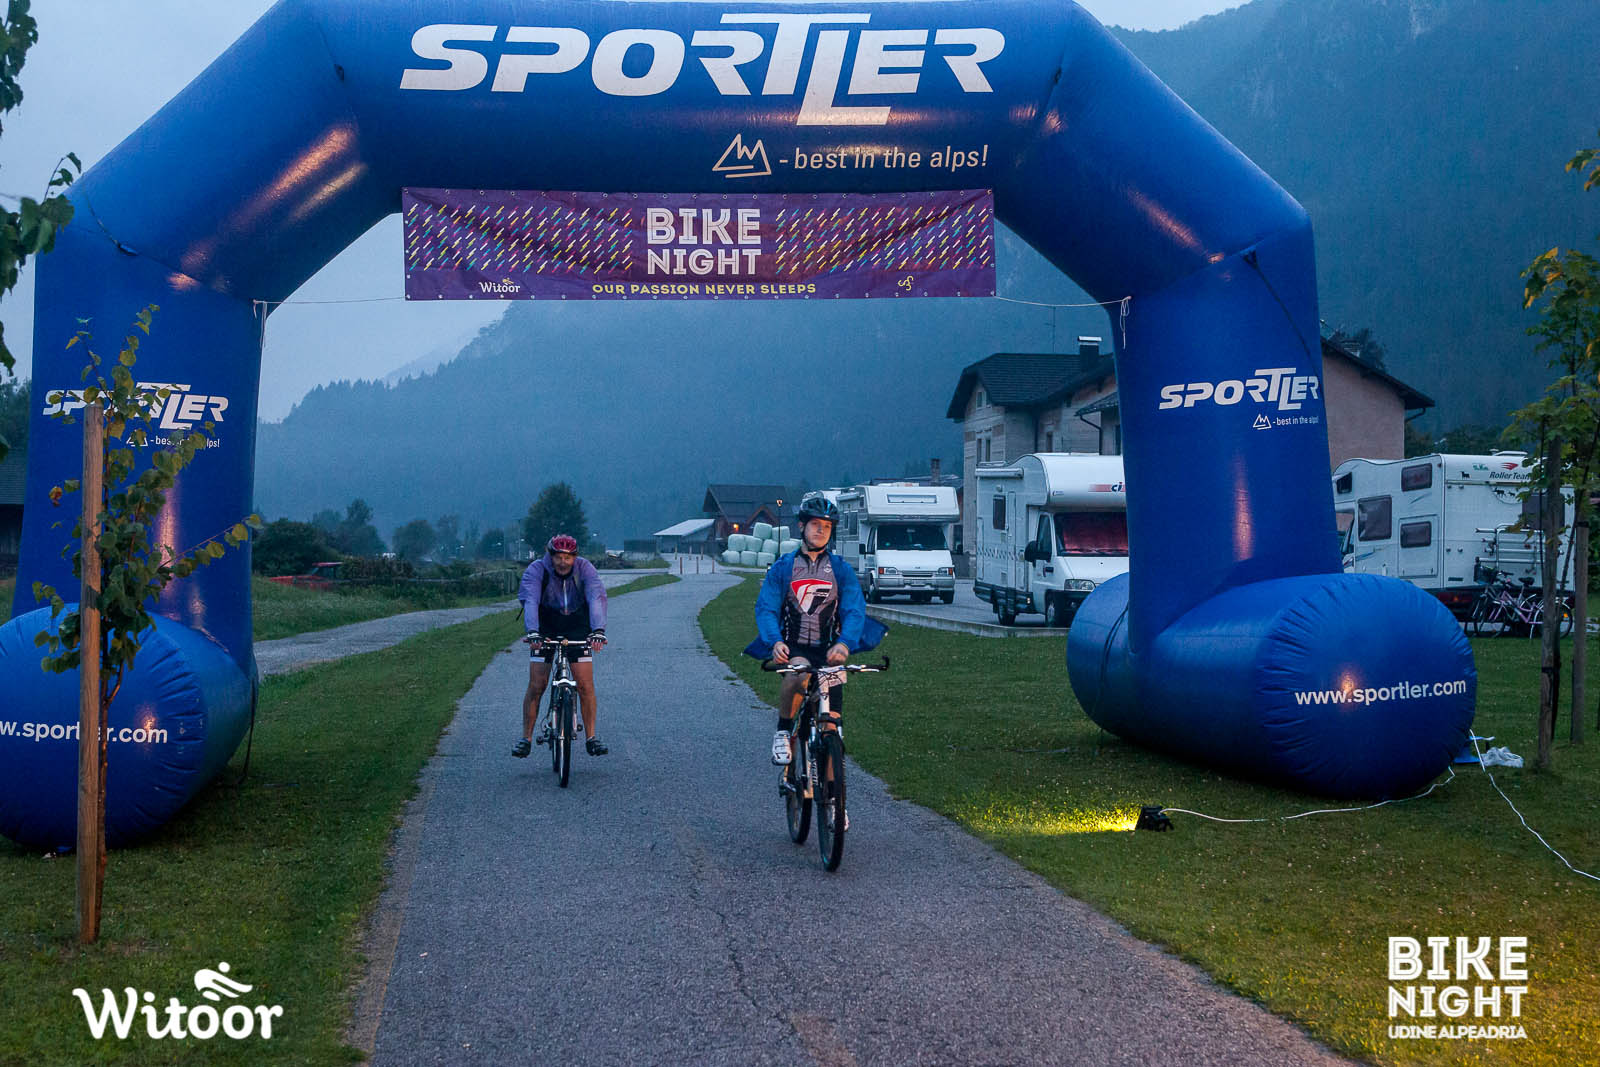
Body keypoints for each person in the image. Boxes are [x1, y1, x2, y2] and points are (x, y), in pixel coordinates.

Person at [748, 493, 870, 767]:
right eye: (815, 524)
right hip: (795, 647)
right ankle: (783, 731)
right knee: (799, 674)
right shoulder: (784, 567)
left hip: (830, 650)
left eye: (827, 526)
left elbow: (854, 609)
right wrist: (774, 641)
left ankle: (835, 792)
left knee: (832, 729)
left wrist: (845, 643)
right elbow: (766, 608)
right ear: (802, 526)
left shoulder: (840, 570)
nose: (821, 530)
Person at [514, 533, 610, 758]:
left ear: (575, 557)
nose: (563, 562)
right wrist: (533, 632)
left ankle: (591, 738)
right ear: (550, 556)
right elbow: (530, 600)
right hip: (545, 624)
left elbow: (596, 597)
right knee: (537, 685)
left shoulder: (585, 568)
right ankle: (526, 738)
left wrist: (598, 630)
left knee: (585, 685)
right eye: (558, 557)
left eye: (568, 557)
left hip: (577, 624)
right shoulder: (537, 570)